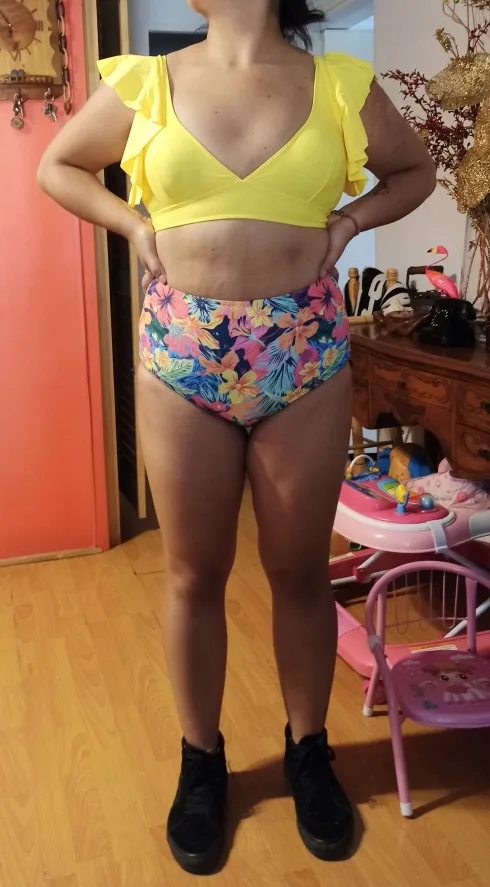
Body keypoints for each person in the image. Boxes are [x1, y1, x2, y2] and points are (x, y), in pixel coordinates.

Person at [38, 0, 436, 875]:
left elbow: (416, 171)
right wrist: (133, 223)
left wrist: (350, 223)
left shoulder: (339, 83)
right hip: (183, 354)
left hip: (305, 352)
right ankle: (201, 761)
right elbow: (57, 164)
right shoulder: (147, 82)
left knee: (299, 571)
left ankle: (308, 749)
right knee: (194, 573)